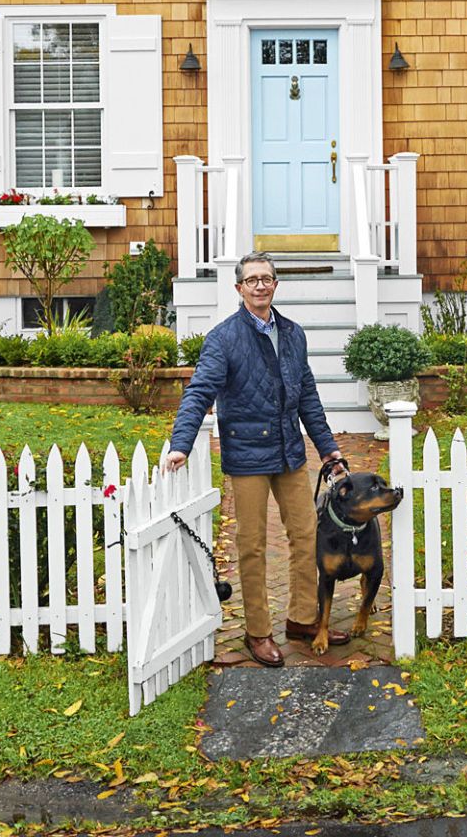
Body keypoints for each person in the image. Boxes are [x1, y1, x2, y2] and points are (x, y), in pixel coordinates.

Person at [165, 251, 348, 666]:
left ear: (275, 284)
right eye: (252, 280)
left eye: (267, 278)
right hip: (247, 457)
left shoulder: (294, 333)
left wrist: (328, 448)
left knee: (306, 536)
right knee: (251, 546)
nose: (261, 285)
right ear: (239, 288)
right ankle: (258, 631)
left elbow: (308, 398)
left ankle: (303, 619)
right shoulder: (223, 338)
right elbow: (199, 392)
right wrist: (181, 442)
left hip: (290, 453)